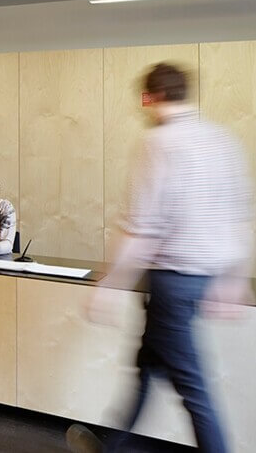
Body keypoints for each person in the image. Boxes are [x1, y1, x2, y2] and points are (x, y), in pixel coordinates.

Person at [68, 63, 253, 453]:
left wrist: (109, 284)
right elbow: (240, 216)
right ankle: (112, 445)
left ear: (149, 98)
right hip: (203, 278)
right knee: (147, 364)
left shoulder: (158, 143)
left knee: (193, 389)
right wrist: (233, 278)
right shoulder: (221, 140)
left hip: (171, 281)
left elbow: (141, 228)